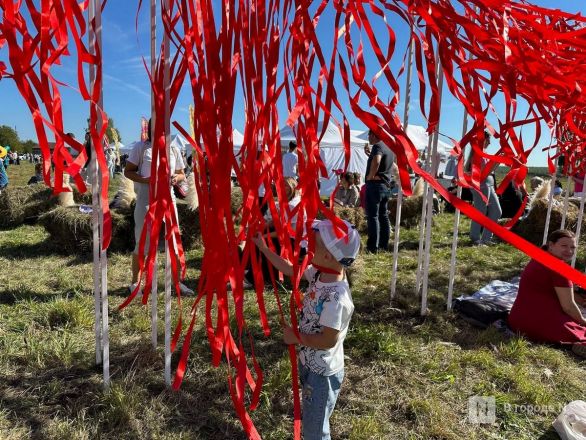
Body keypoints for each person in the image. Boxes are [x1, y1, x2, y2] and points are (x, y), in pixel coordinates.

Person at [253, 219, 359, 439]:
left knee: (314, 429)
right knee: (312, 416)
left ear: (328, 256)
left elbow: (328, 340)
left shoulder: (336, 298)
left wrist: (296, 337)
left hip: (323, 373)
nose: (307, 247)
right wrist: (264, 249)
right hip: (309, 363)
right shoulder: (320, 273)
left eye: (314, 244)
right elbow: (291, 269)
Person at [124, 119, 193, 296]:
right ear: (152, 128)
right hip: (146, 199)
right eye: (159, 127)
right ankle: (135, 282)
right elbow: (128, 171)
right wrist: (147, 180)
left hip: (168, 199)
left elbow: (181, 174)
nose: (162, 131)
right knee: (142, 242)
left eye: (165, 128)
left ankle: (178, 283)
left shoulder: (173, 149)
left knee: (174, 241)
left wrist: (174, 179)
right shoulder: (141, 147)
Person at [508, 229, 586, 357]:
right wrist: (583, 321)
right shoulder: (558, 268)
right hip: (537, 325)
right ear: (551, 245)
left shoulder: (539, 257)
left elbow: (554, 290)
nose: (569, 251)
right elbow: (568, 306)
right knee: (581, 331)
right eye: (564, 246)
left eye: (572, 247)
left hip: (517, 320)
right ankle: (574, 344)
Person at [466, 131, 502, 245]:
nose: (490, 143)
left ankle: (486, 238)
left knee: (496, 211)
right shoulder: (477, 155)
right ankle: (475, 237)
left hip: (489, 183)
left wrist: (497, 161)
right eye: (488, 140)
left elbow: (491, 171)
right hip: (481, 185)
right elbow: (481, 173)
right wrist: (494, 162)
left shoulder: (484, 154)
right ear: (482, 140)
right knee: (481, 211)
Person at [364, 129, 395, 253]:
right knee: (383, 215)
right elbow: (382, 162)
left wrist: (370, 176)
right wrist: (369, 155)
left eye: (369, 135)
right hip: (385, 186)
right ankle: (383, 244)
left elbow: (377, 160)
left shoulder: (377, 146)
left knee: (373, 216)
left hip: (375, 185)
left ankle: (372, 247)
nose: (368, 138)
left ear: (374, 134)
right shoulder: (389, 148)